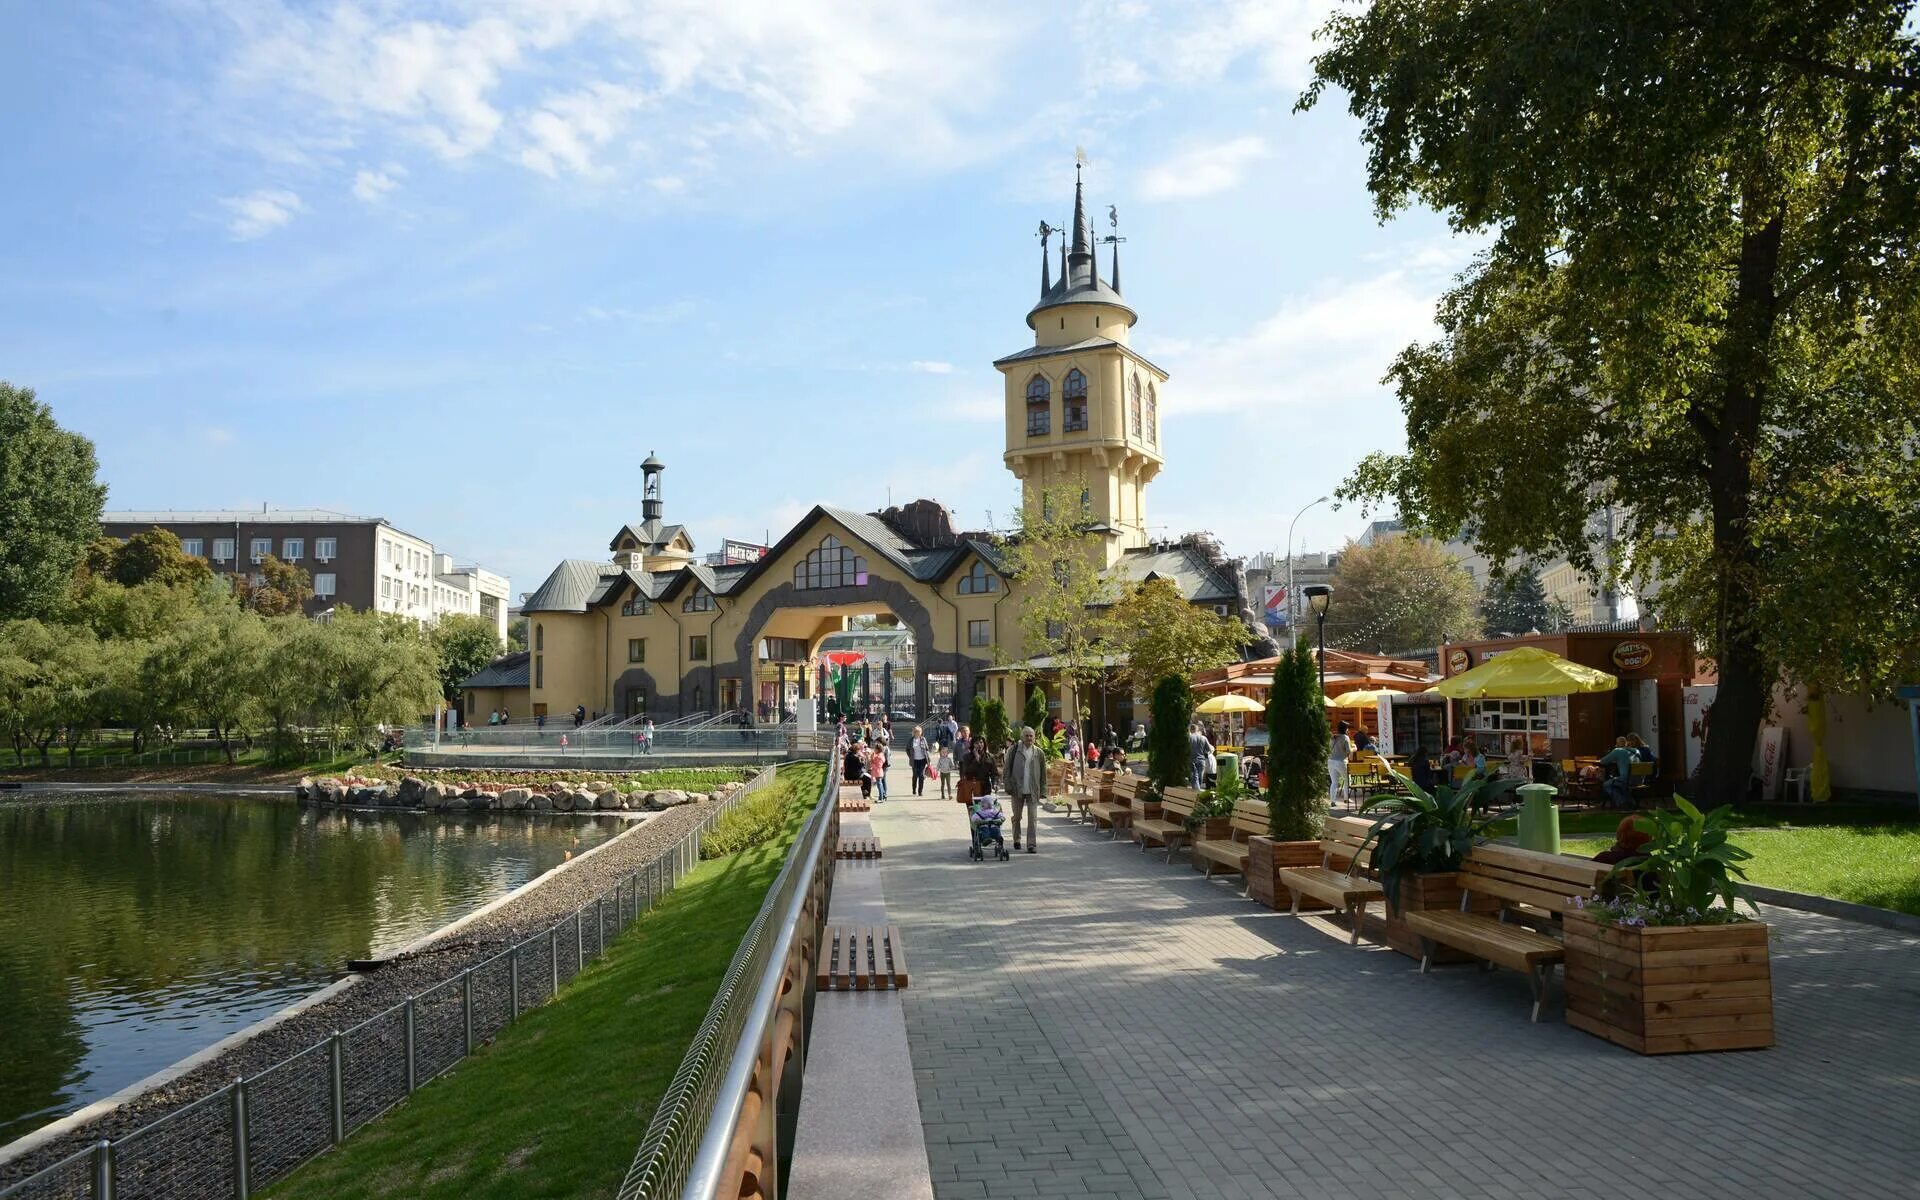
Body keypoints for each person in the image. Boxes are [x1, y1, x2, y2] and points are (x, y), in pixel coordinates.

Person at [1003, 725, 1047, 853]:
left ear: (1034, 737)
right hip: (1017, 789)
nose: (1029, 738)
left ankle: (1031, 844)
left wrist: (1043, 790)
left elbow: (1043, 774)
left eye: (1031, 736)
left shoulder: (1039, 753)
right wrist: (1008, 785)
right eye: (1026, 735)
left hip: (1033, 790)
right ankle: (1017, 839)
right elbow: (1007, 770)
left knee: (1032, 818)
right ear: (1022, 737)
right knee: (1017, 817)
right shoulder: (1014, 750)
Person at [1600, 736, 1639, 809]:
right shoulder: (1636, 750)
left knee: (1606, 784)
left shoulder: (1617, 750)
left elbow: (1603, 761)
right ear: (1626, 743)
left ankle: (1622, 802)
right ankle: (1630, 802)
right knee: (1618, 783)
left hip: (1627, 779)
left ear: (1617, 744)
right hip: (1639, 780)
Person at [1329, 720, 1354, 804]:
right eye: (1347, 728)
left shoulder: (1333, 737)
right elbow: (1348, 751)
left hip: (1331, 761)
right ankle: (1346, 798)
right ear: (1345, 729)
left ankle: (1333, 801)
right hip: (1341, 761)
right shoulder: (1345, 737)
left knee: (1334, 782)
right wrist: (1354, 748)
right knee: (1347, 779)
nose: (1348, 730)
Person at [908, 726, 931, 797]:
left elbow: (927, 749)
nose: (917, 734)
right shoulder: (911, 740)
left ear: (921, 733)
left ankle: (920, 791)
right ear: (914, 733)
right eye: (916, 732)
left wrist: (928, 760)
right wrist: (910, 756)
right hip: (914, 761)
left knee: (921, 776)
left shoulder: (923, 739)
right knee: (915, 776)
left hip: (922, 760)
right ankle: (914, 789)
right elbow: (907, 749)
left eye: (919, 732)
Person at [1187, 723, 1211, 790]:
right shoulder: (1203, 738)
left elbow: (1186, 749)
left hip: (1192, 760)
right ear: (1197, 729)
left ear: (1190, 730)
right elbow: (1209, 749)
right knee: (1200, 777)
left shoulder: (1189, 738)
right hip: (1201, 760)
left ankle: (1196, 793)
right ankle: (1198, 792)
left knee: (1194, 777)